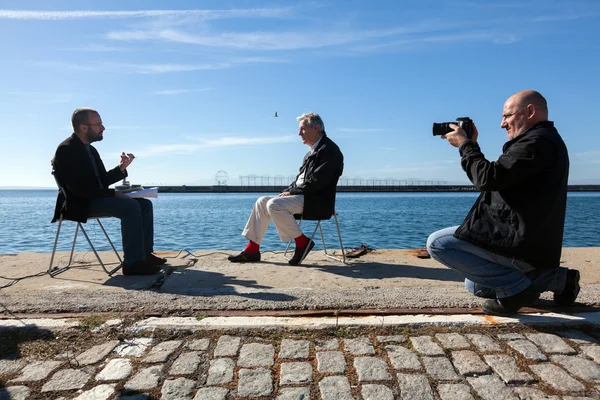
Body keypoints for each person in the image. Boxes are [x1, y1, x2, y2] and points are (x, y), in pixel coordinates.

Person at [426, 90, 579, 316]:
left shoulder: (537, 143)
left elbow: (487, 178)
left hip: (520, 243)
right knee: (476, 285)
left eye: (506, 115)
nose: (502, 124)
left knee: (438, 244)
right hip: (523, 239)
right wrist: (470, 144)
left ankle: (516, 291)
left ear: (529, 111)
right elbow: (497, 177)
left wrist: (466, 145)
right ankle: (558, 280)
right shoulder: (539, 141)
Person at [51, 107, 166, 275]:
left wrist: (121, 168)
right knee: (130, 207)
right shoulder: (67, 150)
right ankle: (132, 264)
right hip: (79, 203)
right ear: (84, 127)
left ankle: (144, 255)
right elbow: (79, 189)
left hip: (94, 199)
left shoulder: (90, 149)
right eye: (99, 124)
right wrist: (112, 194)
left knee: (144, 205)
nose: (103, 128)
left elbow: (100, 181)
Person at [228, 112, 344, 265]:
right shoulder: (312, 152)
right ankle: (252, 249)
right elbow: (300, 180)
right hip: (304, 197)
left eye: (302, 129)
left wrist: (292, 192)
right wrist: (287, 191)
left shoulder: (330, 151)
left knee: (273, 205)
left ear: (315, 128)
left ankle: (303, 242)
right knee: (262, 201)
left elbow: (317, 182)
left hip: (318, 201)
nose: (299, 133)